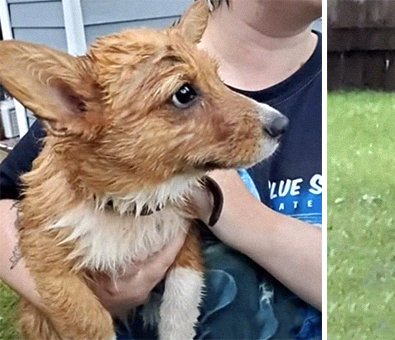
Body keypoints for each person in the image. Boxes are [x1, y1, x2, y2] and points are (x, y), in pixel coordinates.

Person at [0, 0, 322, 338]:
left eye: (217, 79)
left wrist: (240, 217)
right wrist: (73, 300)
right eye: (184, 95)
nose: (262, 116)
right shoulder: (95, 103)